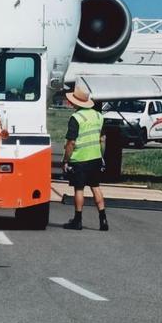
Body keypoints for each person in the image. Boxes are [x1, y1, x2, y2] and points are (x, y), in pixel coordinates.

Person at [60, 82, 108, 231]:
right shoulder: (99, 116)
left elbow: (71, 142)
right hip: (95, 158)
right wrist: (101, 156)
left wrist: (66, 160)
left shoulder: (76, 118)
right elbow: (103, 140)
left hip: (80, 159)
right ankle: (103, 220)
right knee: (95, 187)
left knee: (79, 189)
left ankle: (78, 220)